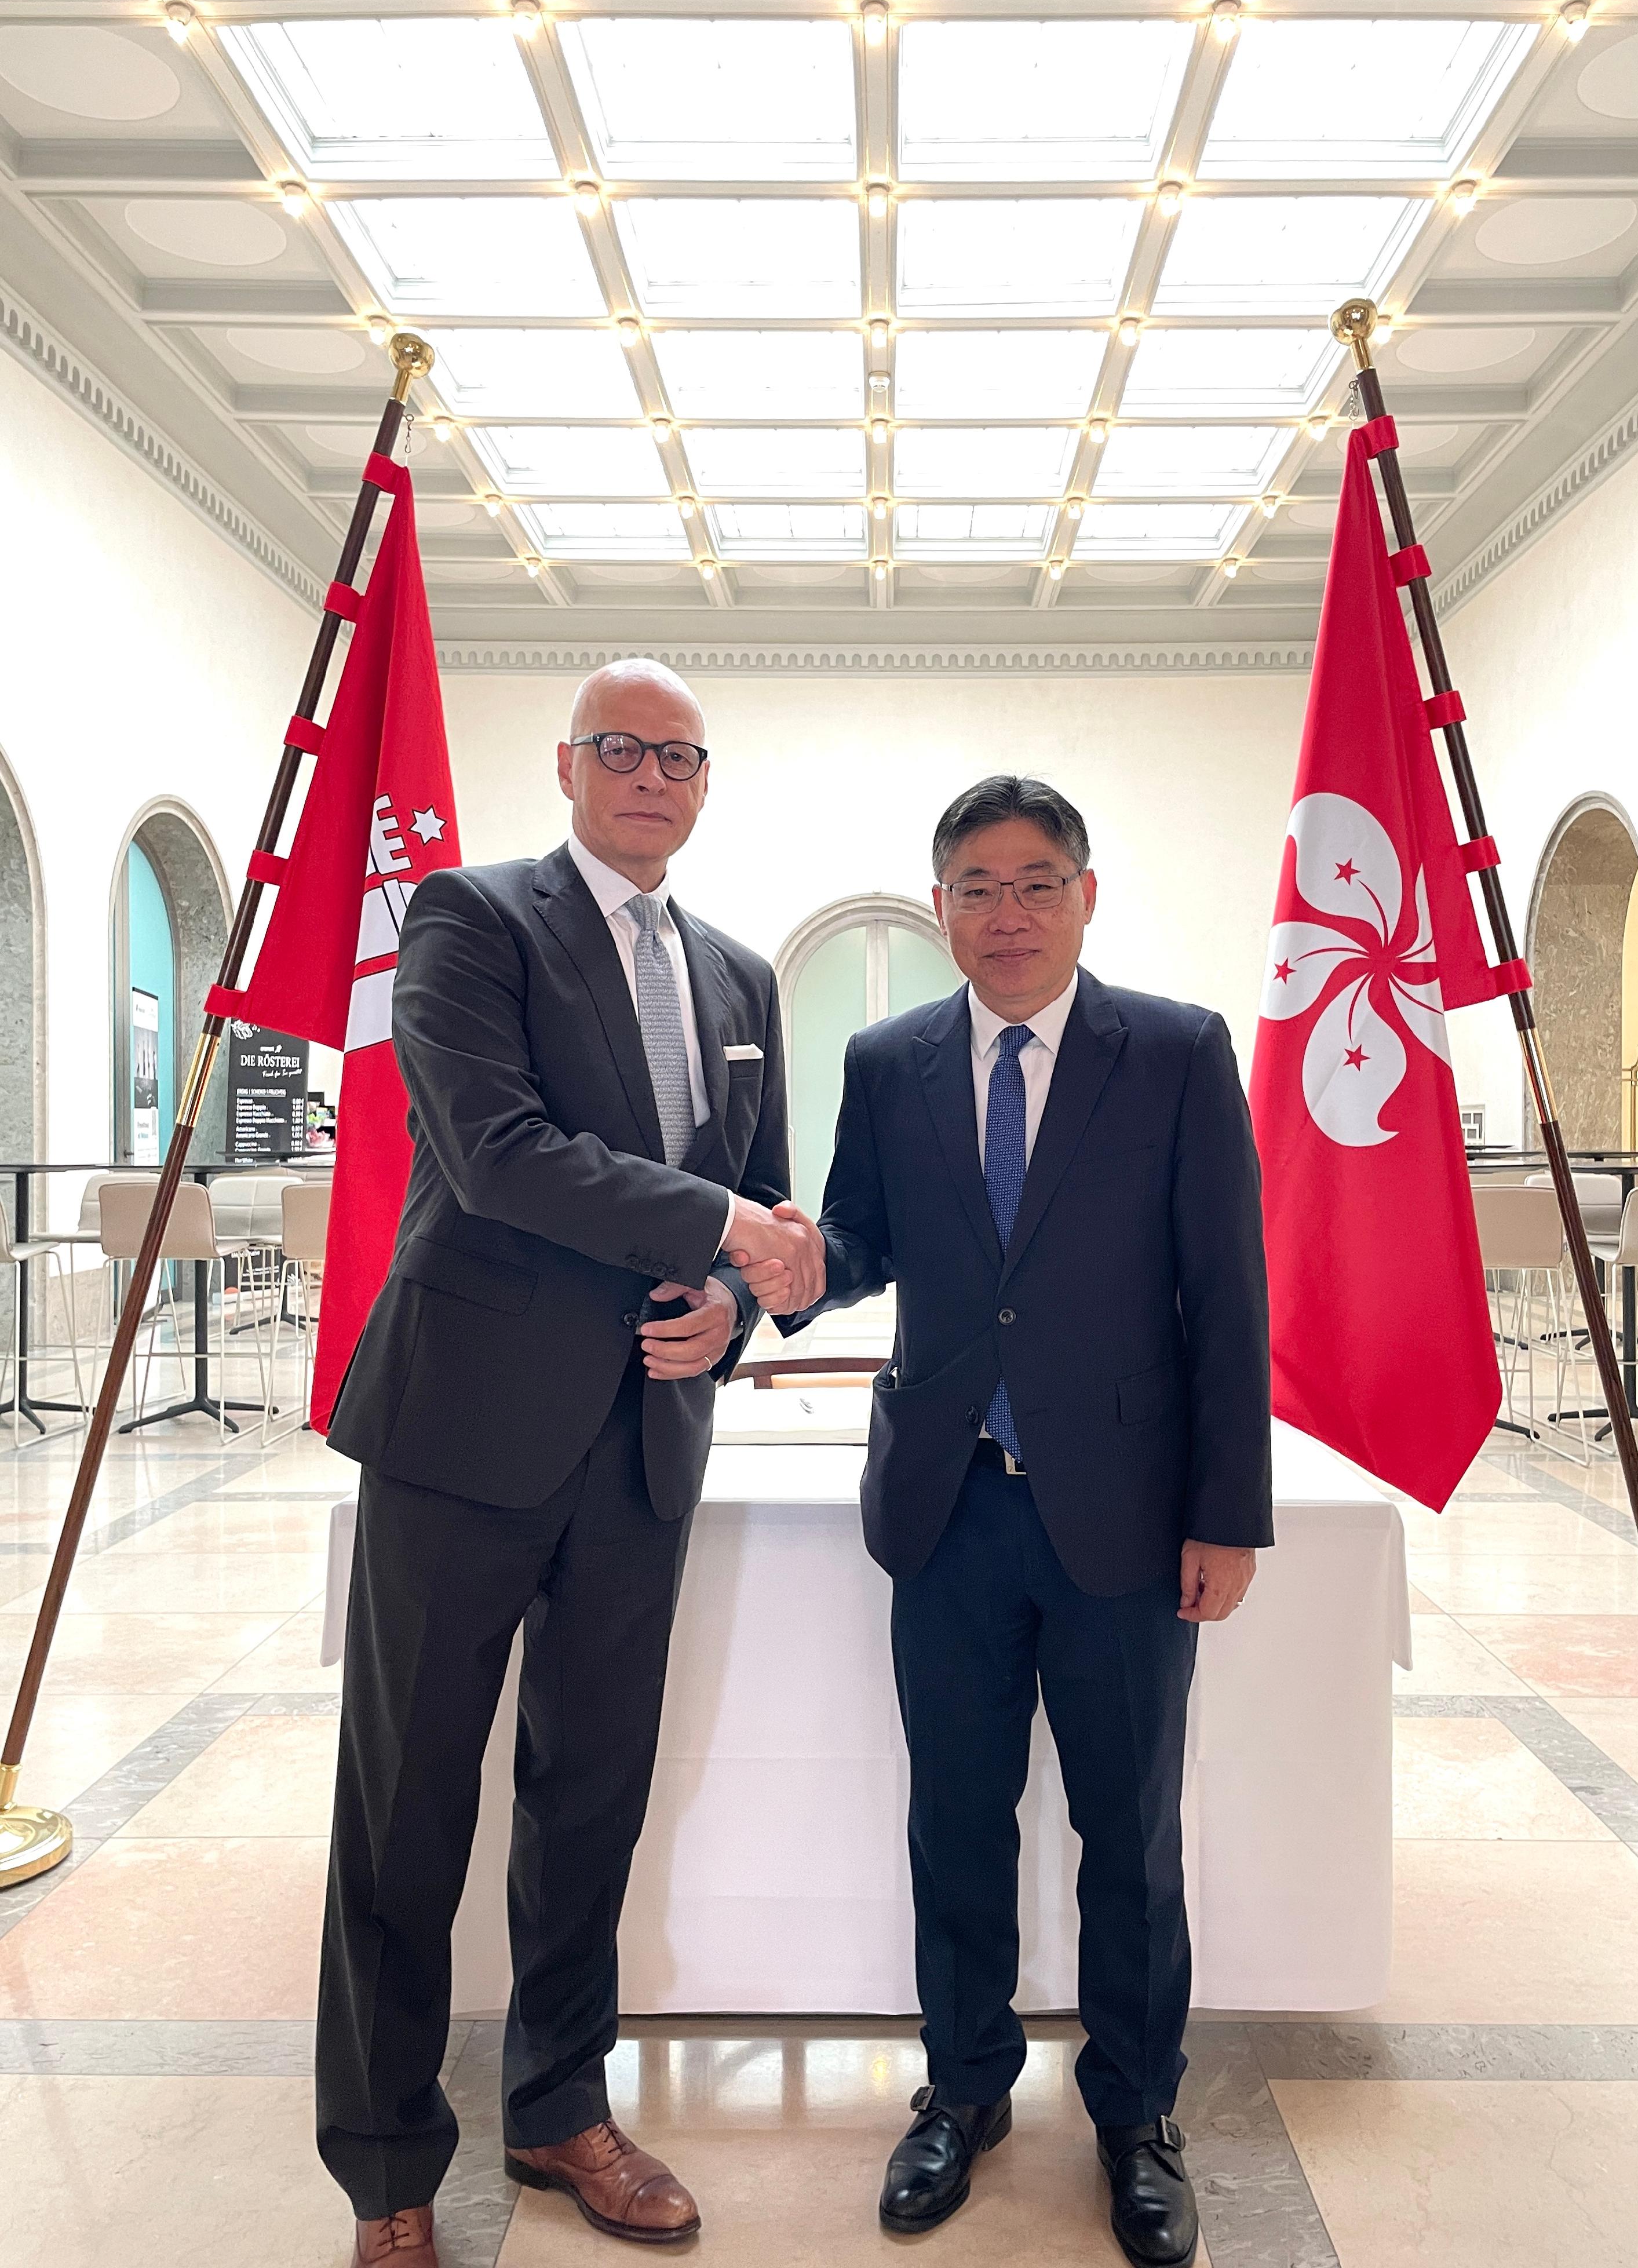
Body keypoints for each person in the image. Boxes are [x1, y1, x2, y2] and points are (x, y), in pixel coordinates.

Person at [316, 658, 825, 2268]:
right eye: (623, 747)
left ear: (701, 781)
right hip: (461, 1431)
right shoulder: (470, 919)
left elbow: (765, 1201)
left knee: (588, 1795)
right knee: (405, 1809)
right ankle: (391, 2166)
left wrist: (734, 1305)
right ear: (567, 764)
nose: (652, 775)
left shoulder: (744, 979)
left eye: (680, 755)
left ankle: (557, 2106)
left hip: (641, 1449)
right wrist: (731, 1232)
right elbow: (495, 1150)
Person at [735, 775, 1271, 2268]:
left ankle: (1135, 2112)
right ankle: (963, 2094)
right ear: (943, 906)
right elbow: (858, 1242)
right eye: (978, 886)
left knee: (1131, 1840)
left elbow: (1229, 1299)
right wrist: (795, 1264)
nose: (1010, 912)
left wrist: (1229, 1514)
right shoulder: (891, 1060)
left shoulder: (1172, 1052)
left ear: (1087, 896)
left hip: (1123, 1520)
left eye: (1039, 882)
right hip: (949, 1512)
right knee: (955, 1822)